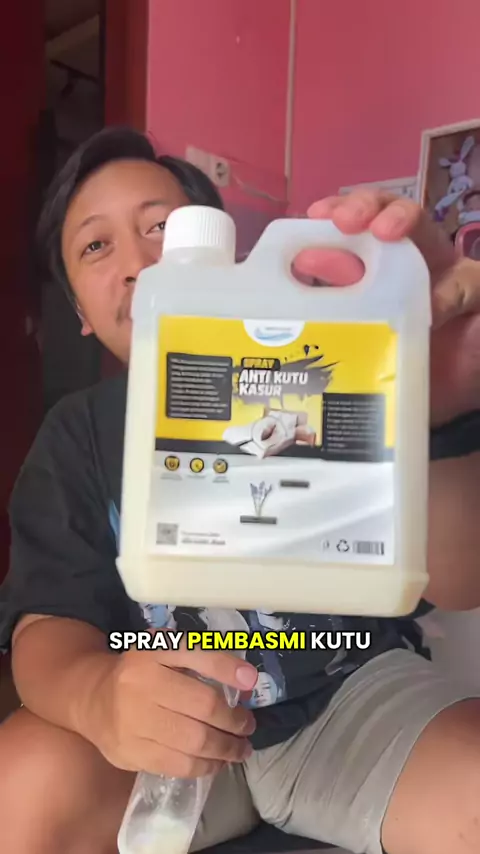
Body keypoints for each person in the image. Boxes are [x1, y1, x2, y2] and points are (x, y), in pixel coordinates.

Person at [1, 127, 480, 854]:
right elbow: (45, 633)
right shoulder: (79, 433)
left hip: (347, 695)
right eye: (96, 246)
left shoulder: (328, 368)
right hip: (155, 719)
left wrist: (431, 406)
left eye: (163, 229)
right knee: (24, 784)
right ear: (79, 311)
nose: (136, 264)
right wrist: (97, 697)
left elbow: (459, 575)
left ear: (230, 261)